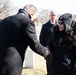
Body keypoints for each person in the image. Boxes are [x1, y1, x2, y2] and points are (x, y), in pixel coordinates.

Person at [0, 4, 50, 75]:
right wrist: (46, 52)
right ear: (32, 14)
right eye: (34, 18)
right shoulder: (27, 22)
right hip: (12, 64)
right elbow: (34, 44)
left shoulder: (4, 20)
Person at [39, 10, 57, 74]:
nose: (53, 17)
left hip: (57, 52)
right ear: (49, 16)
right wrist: (45, 50)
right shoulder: (45, 26)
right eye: (52, 15)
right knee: (49, 70)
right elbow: (41, 39)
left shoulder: (59, 26)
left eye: (54, 15)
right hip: (48, 52)